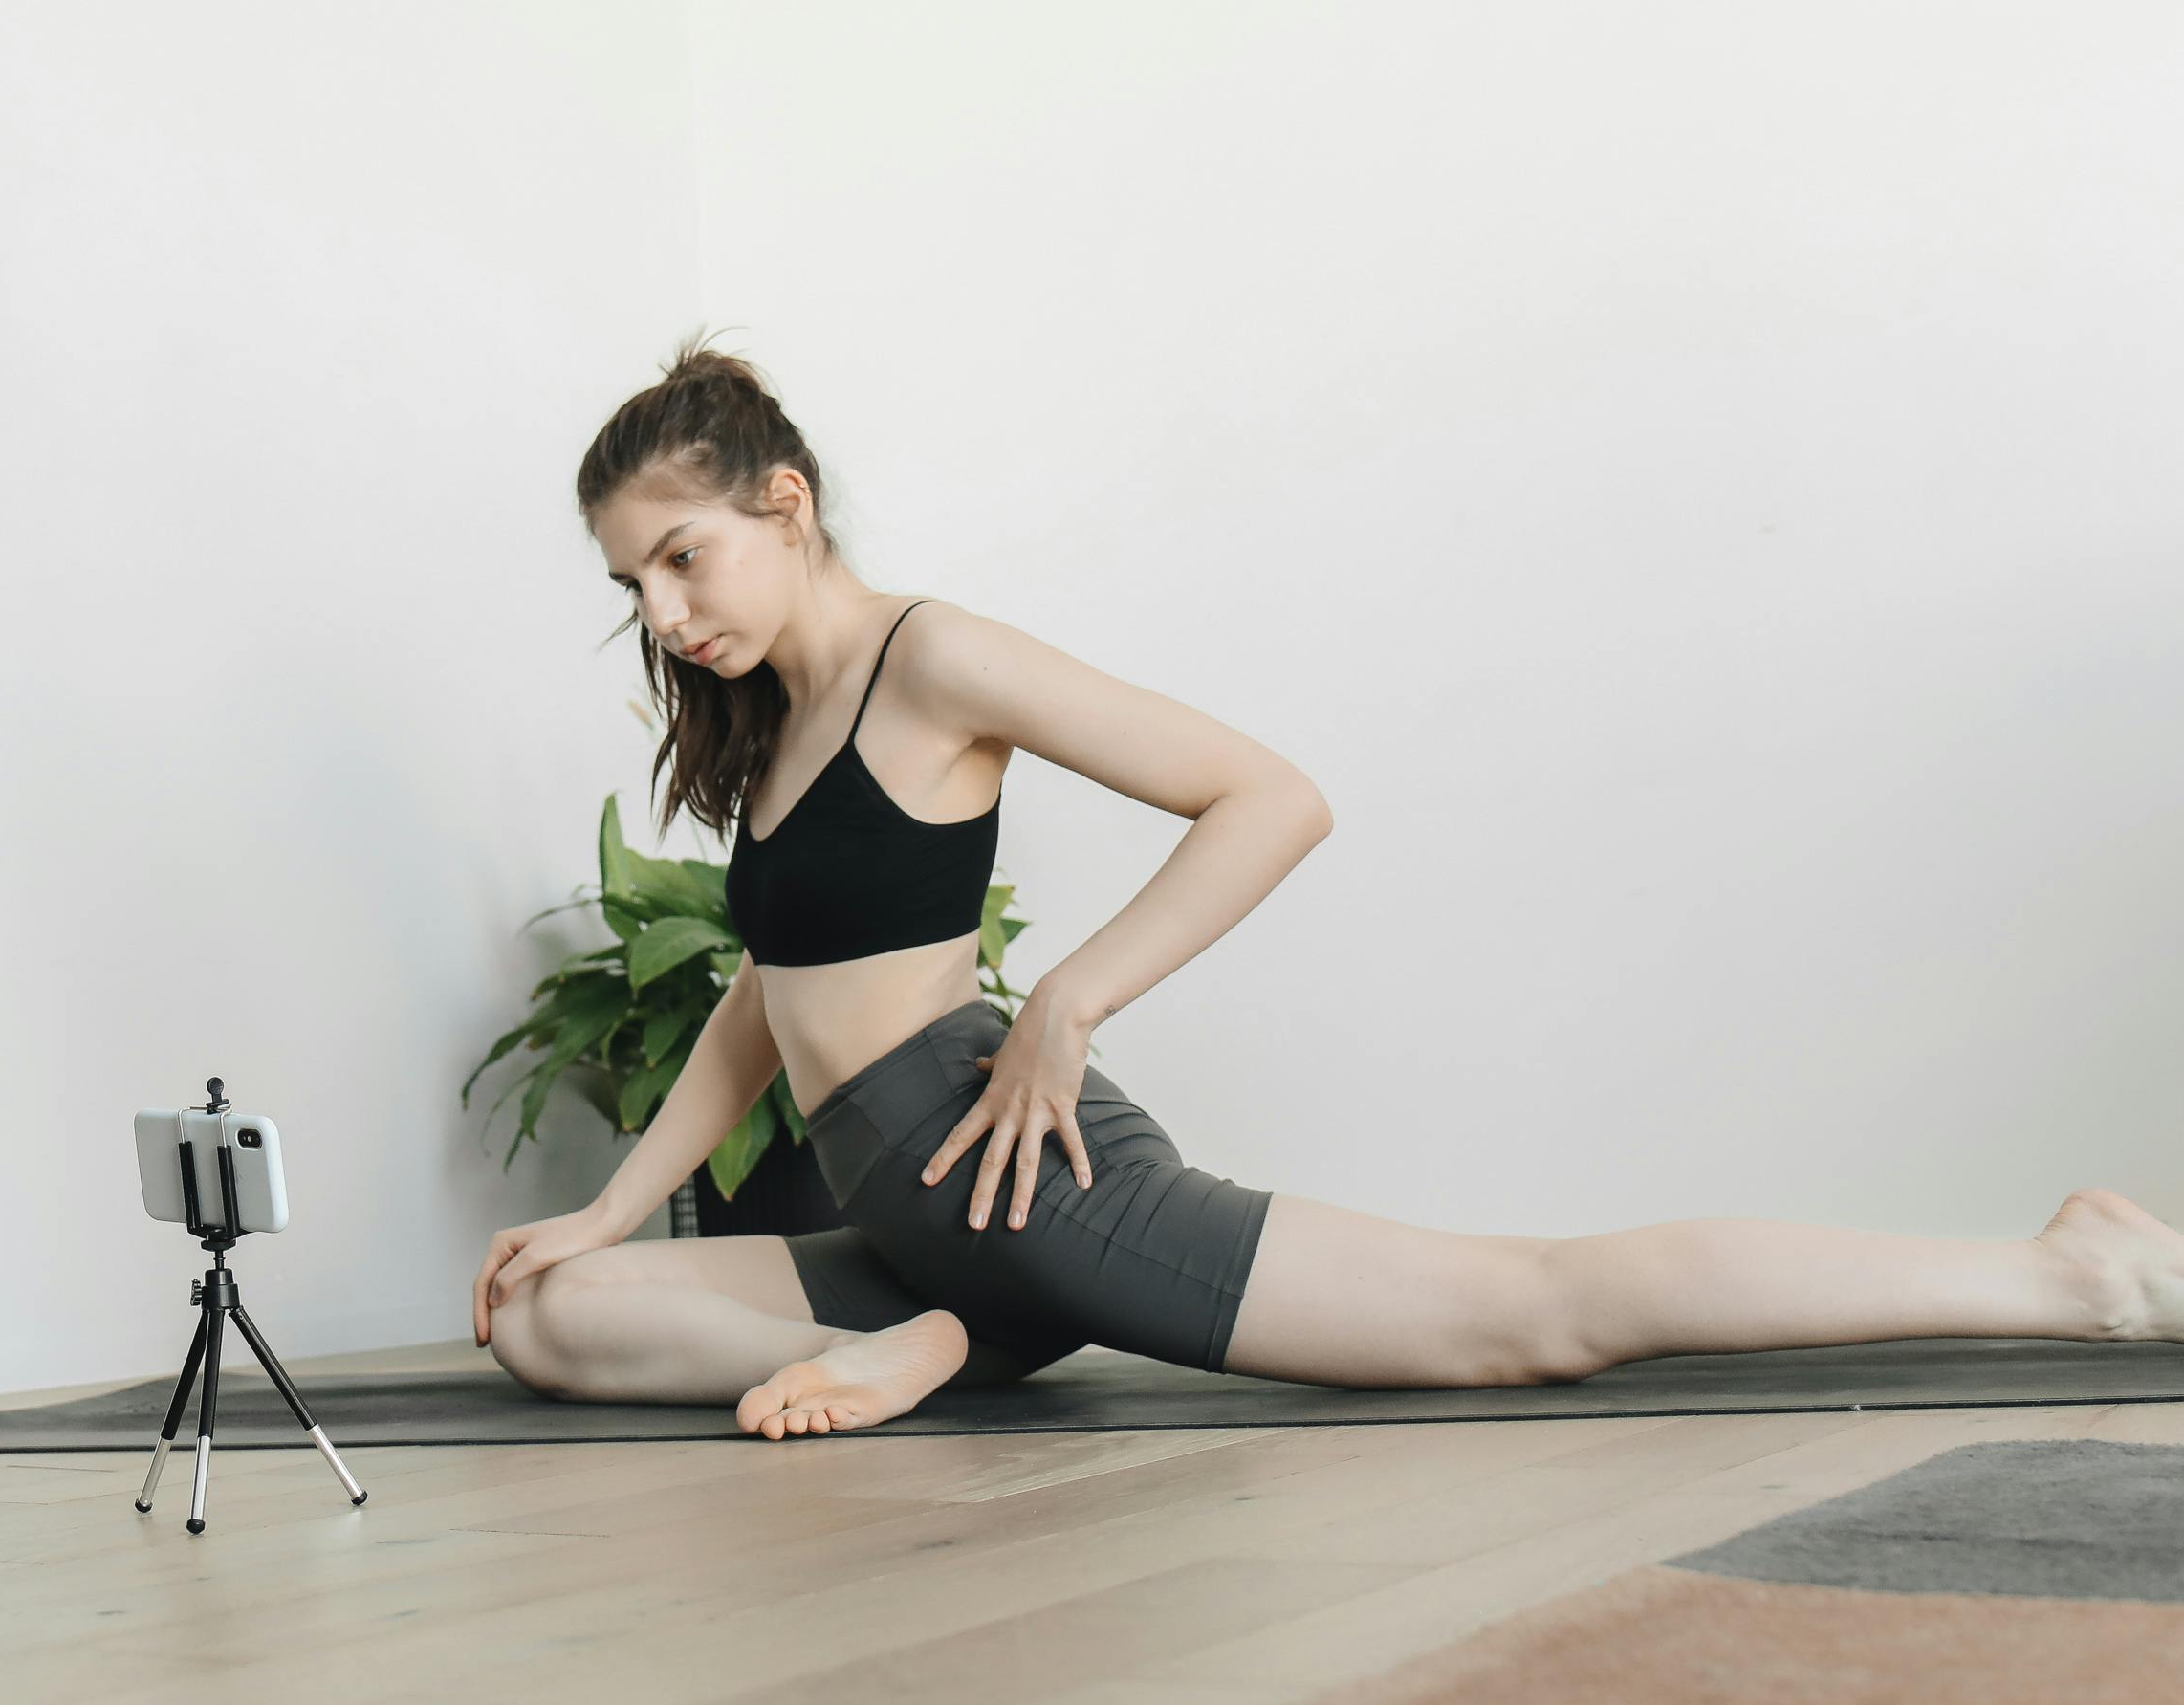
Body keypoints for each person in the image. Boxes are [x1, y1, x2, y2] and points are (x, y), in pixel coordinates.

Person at [474, 331, 2184, 1443]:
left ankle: (2067, 1273)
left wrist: (1068, 998)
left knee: (1530, 1312)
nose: (667, 613)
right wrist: (609, 1211)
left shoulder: (936, 661)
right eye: (636, 586)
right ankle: (947, 1335)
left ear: (785, 503)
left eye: (685, 556)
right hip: (908, 1232)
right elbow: (766, 1001)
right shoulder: (779, 727)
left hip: (1018, 1181)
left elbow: (1269, 797)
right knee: (549, 1312)